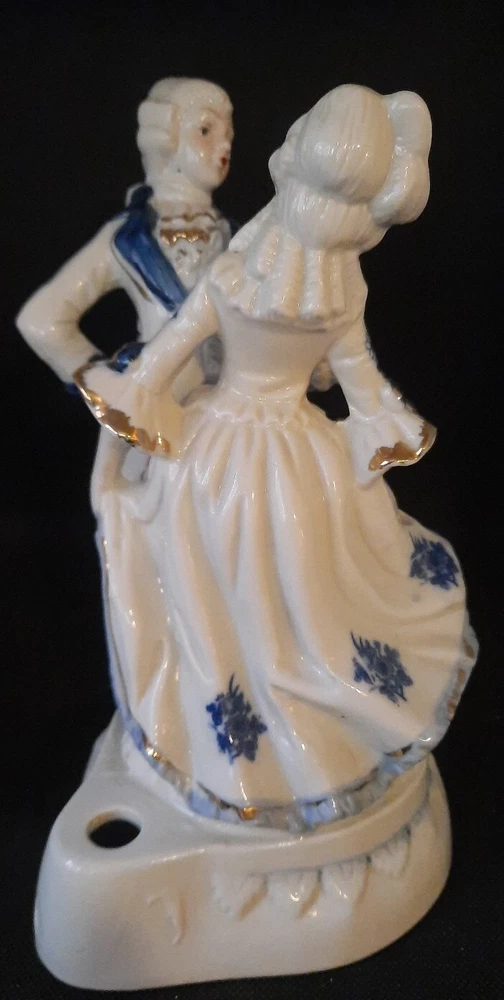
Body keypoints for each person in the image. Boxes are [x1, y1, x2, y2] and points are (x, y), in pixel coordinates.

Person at [75, 84, 477, 831]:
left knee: (228, 576)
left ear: (291, 162)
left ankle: (242, 722)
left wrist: (126, 421)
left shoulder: (235, 274)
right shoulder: (343, 293)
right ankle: (293, 702)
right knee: (302, 576)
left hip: (214, 453)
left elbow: (164, 357)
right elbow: (362, 385)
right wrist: (378, 427)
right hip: (300, 456)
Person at [16, 77, 236, 508]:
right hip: (166, 424)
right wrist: (107, 384)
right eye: (206, 130)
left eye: (229, 132)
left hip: (233, 417)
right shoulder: (129, 239)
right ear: (165, 138)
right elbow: (41, 319)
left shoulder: (240, 236)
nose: (224, 143)